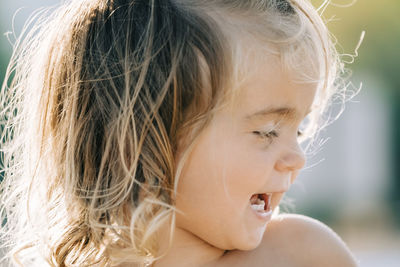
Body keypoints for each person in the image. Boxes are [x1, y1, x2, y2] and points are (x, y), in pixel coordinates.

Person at [0, 0, 360, 266]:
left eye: (297, 129)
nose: (297, 158)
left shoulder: (299, 256)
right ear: (140, 142)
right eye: (266, 132)